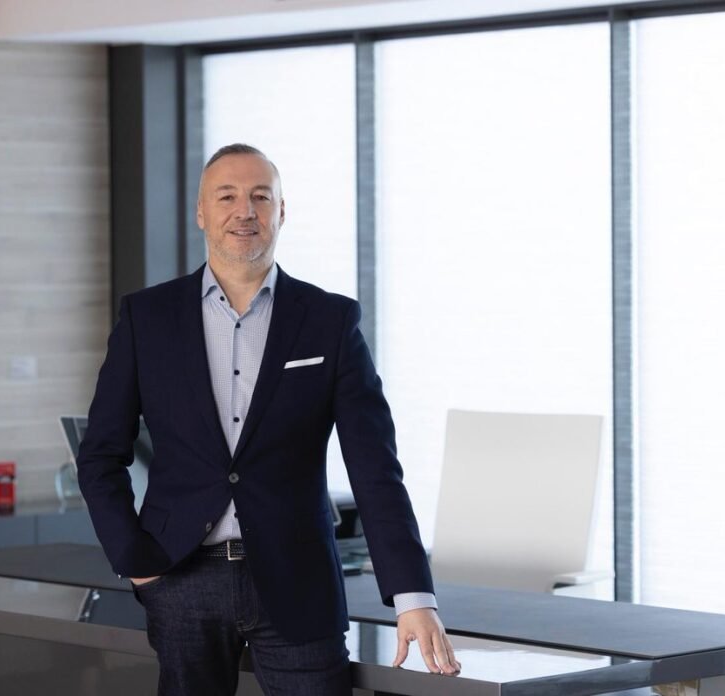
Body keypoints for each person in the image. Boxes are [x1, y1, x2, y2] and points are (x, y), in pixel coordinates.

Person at [77, 143, 459, 695]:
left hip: (299, 580)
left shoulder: (329, 320)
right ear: (201, 212)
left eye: (260, 196)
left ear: (282, 211)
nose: (245, 211)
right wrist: (133, 558)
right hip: (182, 579)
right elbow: (100, 454)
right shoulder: (147, 317)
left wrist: (413, 598)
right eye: (227, 196)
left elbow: (375, 468)